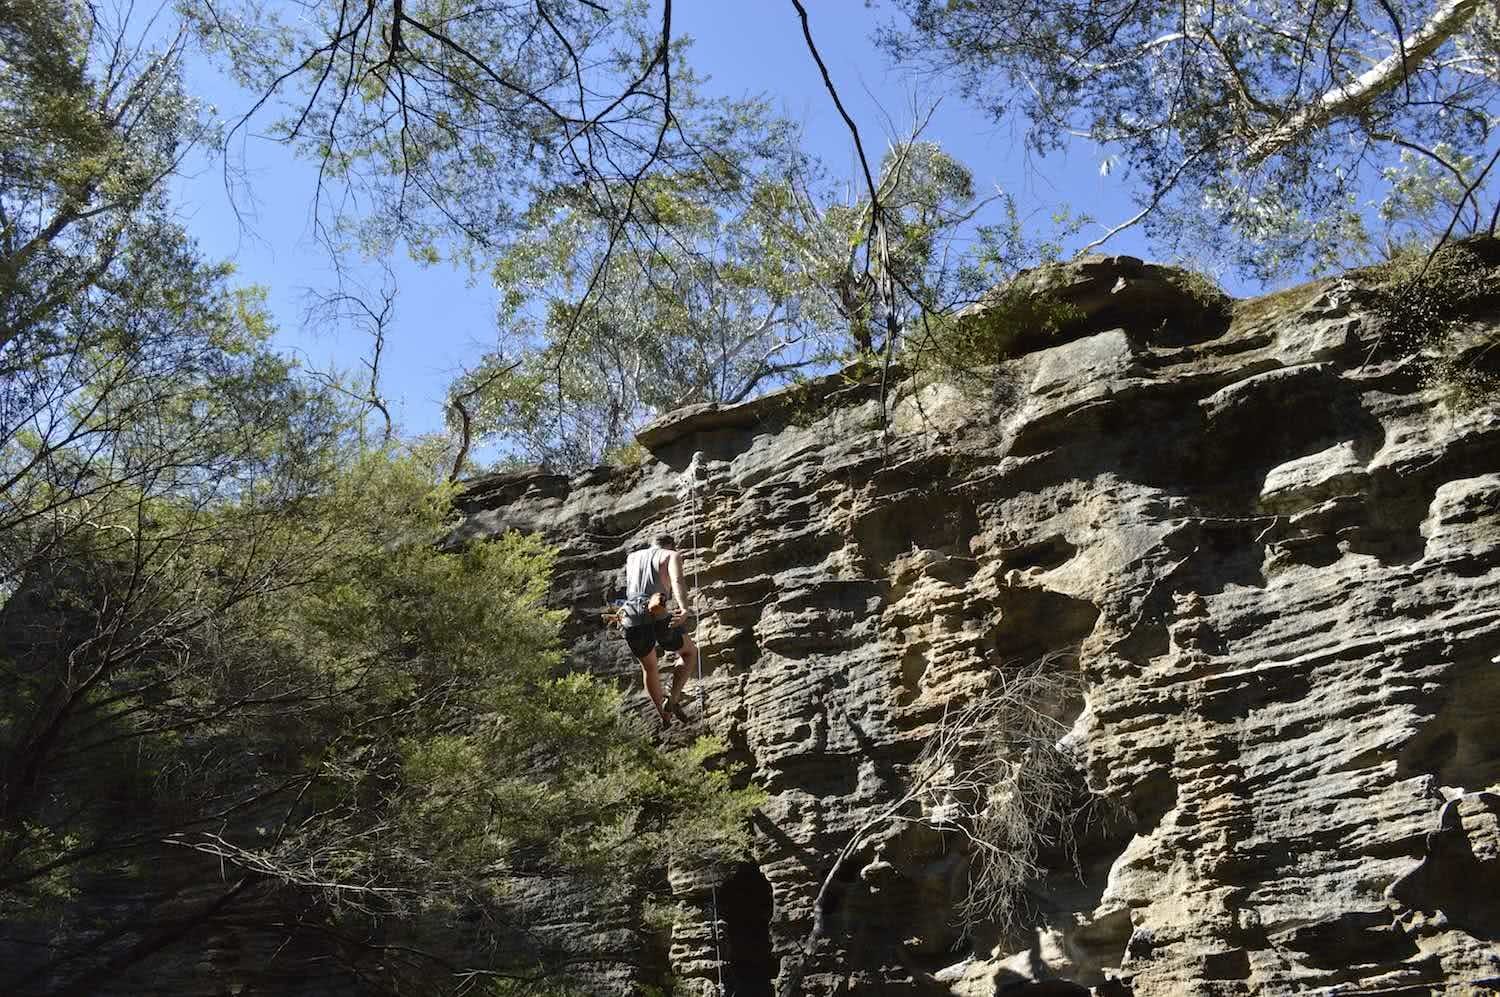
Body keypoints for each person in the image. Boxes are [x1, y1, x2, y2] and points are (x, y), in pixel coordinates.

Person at [620, 534, 697, 728]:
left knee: (649, 667)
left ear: (652, 544)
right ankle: (673, 698)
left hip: (631, 616)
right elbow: (677, 580)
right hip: (657, 614)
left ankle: (663, 714)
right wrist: (684, 608)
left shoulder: (632, 557)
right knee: (689, 652)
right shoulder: (671, 555)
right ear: (671, 545)